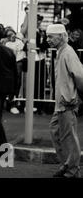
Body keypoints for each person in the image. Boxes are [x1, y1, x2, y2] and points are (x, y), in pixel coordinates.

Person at [46, 24, 83, 178]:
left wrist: (76, 97)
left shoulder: (67, 52)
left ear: (61, 36)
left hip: (67, 102)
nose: (48, 40)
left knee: (69, 136)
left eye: (51, 36)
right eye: (47, 36)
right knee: (55, 130)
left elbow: (80, 76)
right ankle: (68, 164)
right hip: (62, 102)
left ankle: (73, 170)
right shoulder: (61, 52)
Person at [3, 28, 26, 114]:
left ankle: (16, 102)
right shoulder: (7, 43)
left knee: (18, 83)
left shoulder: (19, 42)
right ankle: (11, 104)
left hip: (18, 63)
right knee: (10, 84)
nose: (12, 36)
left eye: (13, 34)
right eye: (9, 35)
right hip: (10, 65)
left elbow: (22, 51)